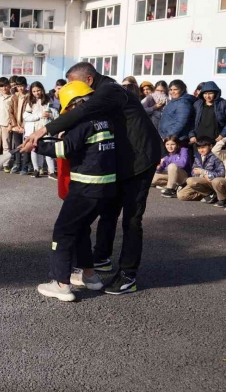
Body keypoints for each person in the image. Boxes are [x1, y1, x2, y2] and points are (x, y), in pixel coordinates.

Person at [22, 62, 163, 295]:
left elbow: (82, 112)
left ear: (88, 81)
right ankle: (98, 263)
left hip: (140, 161)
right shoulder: (99, 95)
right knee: (107, 212)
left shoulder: (110, 90)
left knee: (132, 220)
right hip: (118, 164)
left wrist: (41, 132)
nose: (71, 91)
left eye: (72, 85)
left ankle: (128, 275)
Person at [34, 81, 114, 302]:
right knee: (80, 229)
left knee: (63, 232)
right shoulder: (105, 120)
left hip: (85, 188)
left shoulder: (83, 123)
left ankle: (61, 284)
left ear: (74, 104)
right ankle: (90, 276)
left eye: (67, 108)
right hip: (106, 189)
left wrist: (36, 146)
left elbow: (64, 149)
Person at [23, 81, 59, 178]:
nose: (36, 93)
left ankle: (51, 171)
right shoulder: (30, 101)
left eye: (38, 90)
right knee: (34, 149)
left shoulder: (49, 100)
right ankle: (36, 169)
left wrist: (50, 115)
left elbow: (56, 115)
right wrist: (39, 115)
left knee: (48, 150)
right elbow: (26, 117)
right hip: (34, 130)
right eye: (34, 91)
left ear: (42, 90)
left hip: (46, 129)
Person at [177, 136, 225, 204]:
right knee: (181, 195)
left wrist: (205, 173)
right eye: (199, 148)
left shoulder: (216, 156)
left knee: (190, 180)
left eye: (203, 147)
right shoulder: (197, 156)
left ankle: (214, 194)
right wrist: (200, 175)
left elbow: (221, 173)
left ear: (210, 146)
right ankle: (209, 194)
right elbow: (193, 171)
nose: (201, 150)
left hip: (211, 181)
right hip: (199, 182)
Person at [7, 76, 31, 174]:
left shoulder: (29, 96)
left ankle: (25, 166)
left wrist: (24, 126)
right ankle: (17, 164)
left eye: (22, 86)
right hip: (16, 126)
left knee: (25, 146)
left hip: (26, 126)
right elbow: (10, 112)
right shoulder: (14, 97)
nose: (20, 88)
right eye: (18, 86)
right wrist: (14, 125)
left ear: (25, 86)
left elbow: (30, 112)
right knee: (17, 146)